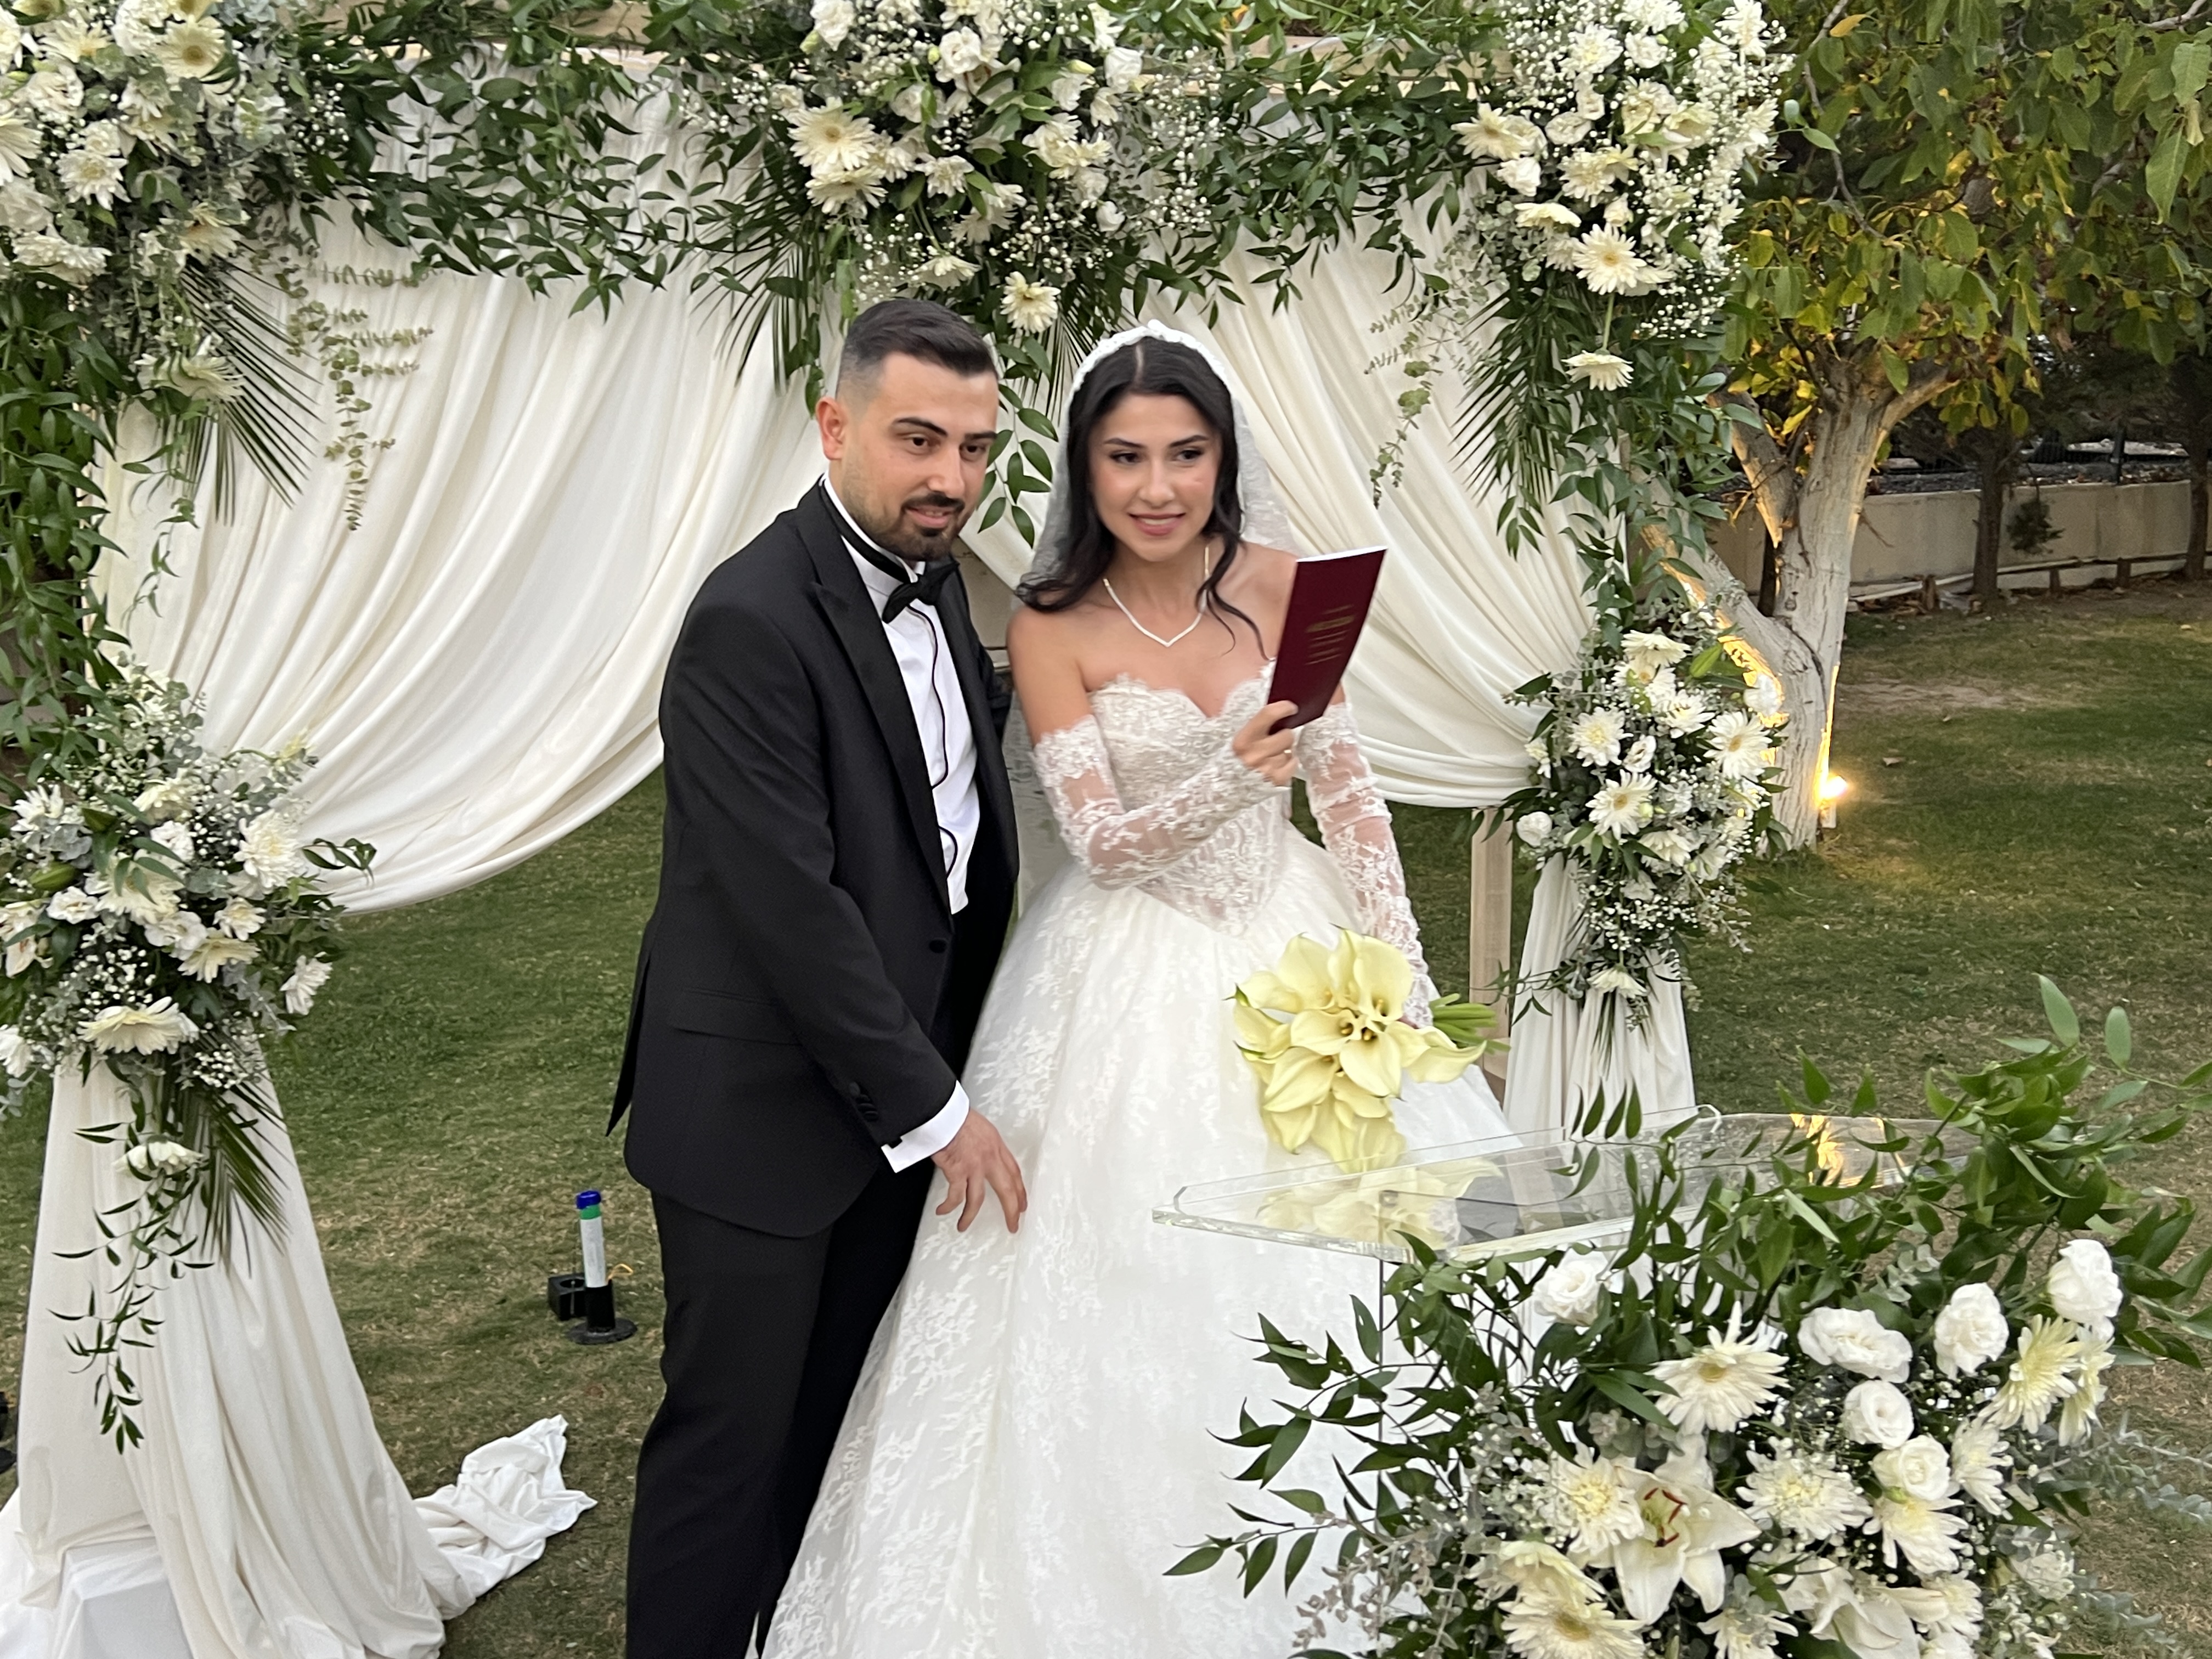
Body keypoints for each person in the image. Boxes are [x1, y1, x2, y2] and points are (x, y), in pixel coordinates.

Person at [763, 321, 1515, 1657]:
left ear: (1224, 460)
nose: (1157, 487)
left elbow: (1352, 803)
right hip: (1121, 968)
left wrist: (1402, 982)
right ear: (1084, 467)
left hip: (1298, 951)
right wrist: (1232, 774)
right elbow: (1101, 841)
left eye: (1185, 454)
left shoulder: (1294, 588)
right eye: (1125, 458)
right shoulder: (1050, 623)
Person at [611, 299, 1029, 1659]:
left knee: (832, 1433)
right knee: (728, 1448)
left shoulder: (941, 583)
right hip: (759, 1111)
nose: (951, 477)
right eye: (919, 440)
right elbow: (791, 910)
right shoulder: (748, 618)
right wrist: (939, 1110)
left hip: (889, 1107)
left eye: (975, 447)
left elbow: (942, 835)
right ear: (835, 426)